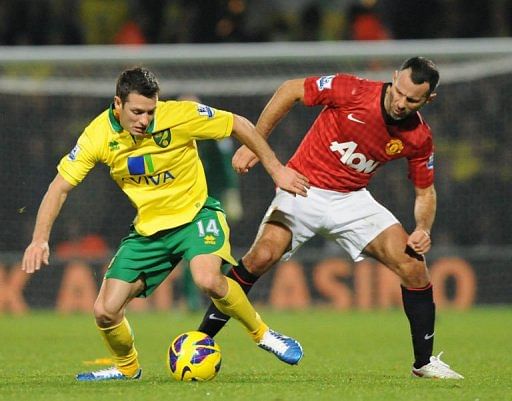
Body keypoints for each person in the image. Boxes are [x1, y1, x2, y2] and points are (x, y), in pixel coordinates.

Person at [21, 67, 309, 381]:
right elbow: (59, 187)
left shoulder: (180, 115)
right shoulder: (97, 135)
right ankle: (127, 369)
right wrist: (40, 239)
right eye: (136, 112)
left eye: (150, 111)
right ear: (117, 104)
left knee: (208, 279)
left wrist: (276, 170)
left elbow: (238, 124)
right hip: (149, 231)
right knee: (105, 311)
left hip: (197, 215)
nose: (144, 120)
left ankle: (264, 335)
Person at [197, 57, 464, 379]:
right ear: (394, 78)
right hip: (302, 188)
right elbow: (289, 90)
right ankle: (200, 341)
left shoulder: (418, 136)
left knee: (414, 266)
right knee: (260, 257)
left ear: (428, 100)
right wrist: (257, 144)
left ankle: (424, 363)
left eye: (412, 100)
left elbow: (425, 192)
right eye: (399, 92)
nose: (401, 103)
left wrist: (423, 228)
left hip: (351, 200)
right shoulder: (351, 89)